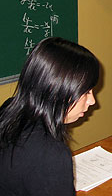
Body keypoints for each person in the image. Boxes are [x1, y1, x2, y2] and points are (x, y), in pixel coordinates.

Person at [0, 37, 99, 196]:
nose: (92, 101)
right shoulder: (50, 154)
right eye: (86, 92)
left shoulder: (8, 109)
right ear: (57, 90)